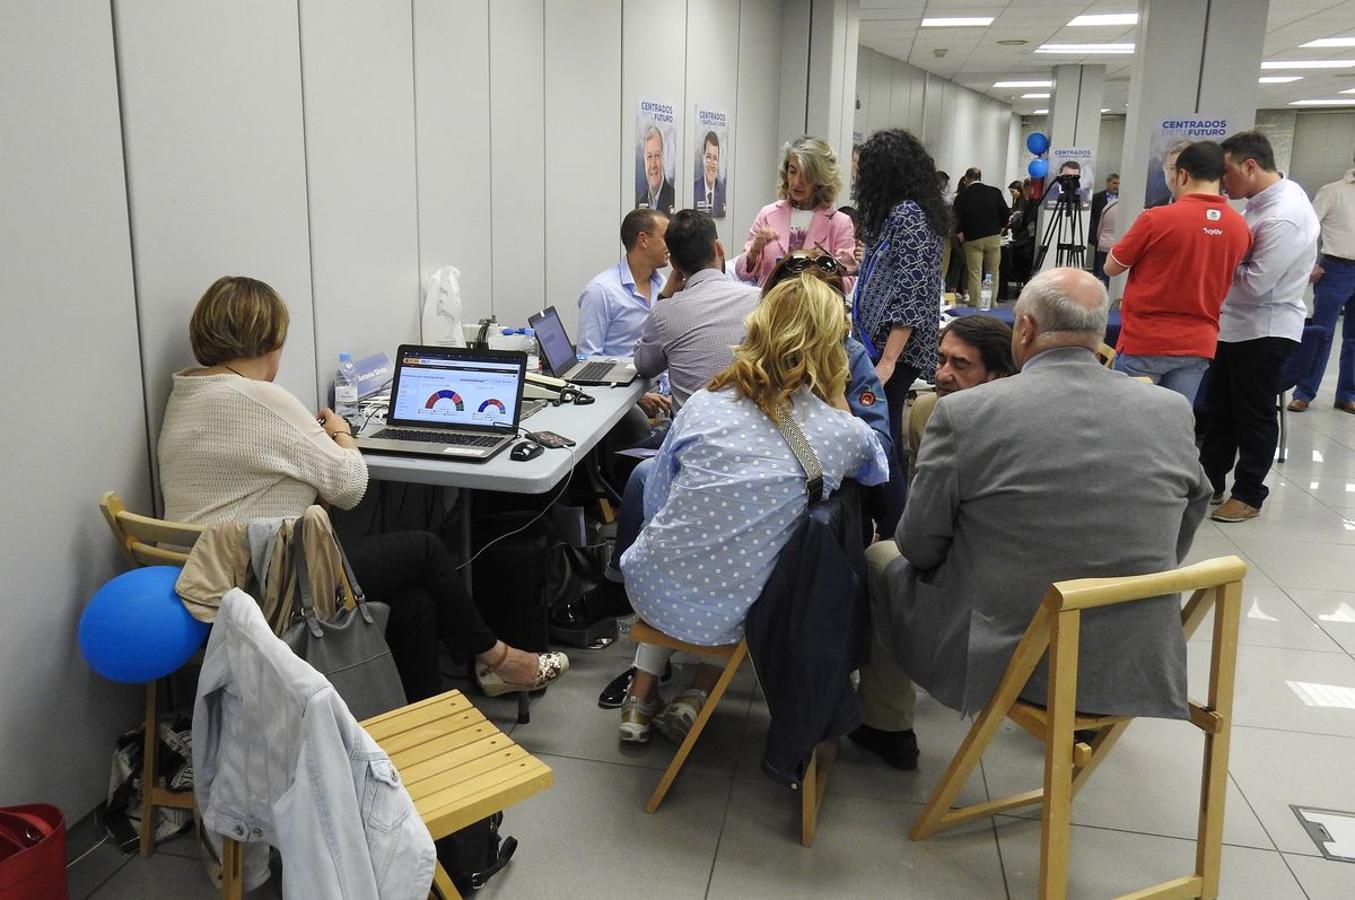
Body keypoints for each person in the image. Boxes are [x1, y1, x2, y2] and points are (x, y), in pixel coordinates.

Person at [851, 268, 1212, 771]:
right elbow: (1194, 506)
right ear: (1099, 330)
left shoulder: (963, 414)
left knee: (877, 558)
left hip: (1011, 652)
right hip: (1131, 654)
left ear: (1024, 330)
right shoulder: (1170, 409)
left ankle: (885, 727)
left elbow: (919, 547)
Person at [158, 277, 569, 702]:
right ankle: (500, 660)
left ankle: (416, 726)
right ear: (269, 339)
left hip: (203, 583)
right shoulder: (263, 398)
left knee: (415, 604)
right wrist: (342, 434)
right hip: (271, 587)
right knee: (425, 550)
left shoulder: (186, 391)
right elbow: (351, 487)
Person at [582, 247, 895, 710]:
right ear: (836, 344)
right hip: (738, 608)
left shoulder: (705, 404)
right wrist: (834, 393)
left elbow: (659, 500)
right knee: (753, 554)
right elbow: (878, 468)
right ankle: (695, 692)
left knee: (673, 507)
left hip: (649, 589)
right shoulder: (838, 431)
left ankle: (645, 689)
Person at [1204, 131, 1320, 523]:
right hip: (1235, 325)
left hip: (1265, 328)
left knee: (1253, 414)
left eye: (1227, 173)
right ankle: (1210, 480)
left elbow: (1255, 283)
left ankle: (1250, 493)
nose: (1223, 183)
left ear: (1250, 166)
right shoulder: (1258, 203)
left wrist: (1213, 264)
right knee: (1219, 410)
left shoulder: (1284, 213)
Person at [851, 128, 949, 535]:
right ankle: (889, 519)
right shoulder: (897, 213)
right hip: (879, 346)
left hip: (893, 351)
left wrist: (889, 359)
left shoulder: (908, 215)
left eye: (862, 171)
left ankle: (894, 526)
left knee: (883, 431)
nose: (858, 180)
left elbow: (910, 292)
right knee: (880, 425)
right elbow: (889, 274)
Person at [1103, 141, 1251, 403]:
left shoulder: (1155, 218)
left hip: (1146, 341)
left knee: (1129, 424)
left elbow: (1111, 267)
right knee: (1175, 424)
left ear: (1182, 175)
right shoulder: (1240, 227)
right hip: (1199, 343)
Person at [635, 210, 761, 409]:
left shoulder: (663, 312)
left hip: (692, 436)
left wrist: (664, 297)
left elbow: (644, 366)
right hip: (753, 433)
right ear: (718, 248)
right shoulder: (760, 300)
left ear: (674, 264)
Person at [735, 136, 856, 288]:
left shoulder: (840, 223)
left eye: (806, 176)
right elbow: (741, 272)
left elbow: (846, 282)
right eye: (792, 172)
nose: (797, 182)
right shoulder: (768, 213)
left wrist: (818, 272)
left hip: (813, 308)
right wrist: (754, 250)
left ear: (820, 180)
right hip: (770, 306)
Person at [907, 315, 1015, 482]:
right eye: (941, 360)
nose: (942, 375)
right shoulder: (924, 412)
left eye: (960, 365)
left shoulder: (1017, 428)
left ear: (997, 375)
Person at [1289, 157, 1355, 414]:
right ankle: (1304, 392)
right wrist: (1309, 266)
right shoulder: (1334, 191)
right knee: (1322, 335)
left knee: (1354, 339)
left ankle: (1347, 394)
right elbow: (1307, 231)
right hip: (1336, 269)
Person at [952, 166, 1010, 307]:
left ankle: (975, 303)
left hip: (972, 239)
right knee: (993, 272)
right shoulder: (994, 192)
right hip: (993, 237)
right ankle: (991, 303)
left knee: (975, 273)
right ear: (980, 178)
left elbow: (956, 219)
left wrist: (960, 234)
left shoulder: (961, 197)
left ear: (966, 179)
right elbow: (1005, 213)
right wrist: (1000, 229)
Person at [1088, 172, 1120, 279]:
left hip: (1117, 238)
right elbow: (1091, 219)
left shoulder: (1123, 199)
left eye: (1119, 184)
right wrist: (1093, 237)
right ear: (1108, 183)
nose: (1116, 186)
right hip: (1100, 238)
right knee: (1099, 267)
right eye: (1114, 183)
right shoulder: (1096, 198)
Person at [637, 125, 675, 215]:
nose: (653, 164)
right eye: (649, 156)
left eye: (657, 156)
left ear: (663, 158)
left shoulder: (674, 197)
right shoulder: (639, 203)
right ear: (644, 160)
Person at [693, 131, 726, 218]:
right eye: (708, 157)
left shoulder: (723, 193)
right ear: (703, 157)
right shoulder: (693, 190)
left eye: (715, 158)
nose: (711, 164)